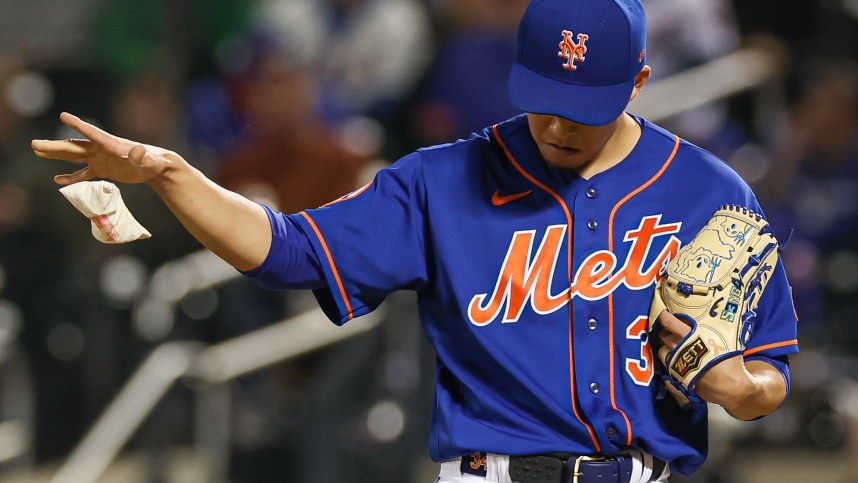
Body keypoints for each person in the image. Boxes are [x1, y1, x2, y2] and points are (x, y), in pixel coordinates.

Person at [32, 0, 798, 481]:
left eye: (584, 107)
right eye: (544, 101)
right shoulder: (442, 181)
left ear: (637, 81)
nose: (559, 125)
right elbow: (288, 249)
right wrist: (172, 174)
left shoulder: (709, 193)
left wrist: (743, 389)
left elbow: (770, 375)